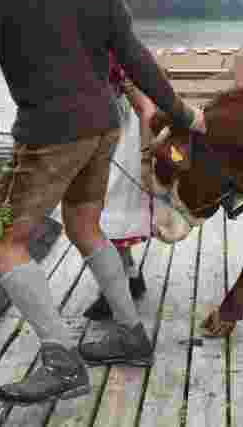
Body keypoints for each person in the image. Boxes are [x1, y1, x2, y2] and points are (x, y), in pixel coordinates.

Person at [0, 0, 205, 405]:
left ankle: (61, 360)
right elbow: (134, 57)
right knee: (85, 226)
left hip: (48, 136)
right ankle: (131, 335)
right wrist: (179, 112)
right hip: (104, 127)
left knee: (3, 239)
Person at [82, 52, 155, 321]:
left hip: (122, 142)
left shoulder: (113, 60)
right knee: (106, 218)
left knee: (107, 220)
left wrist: (146, 159)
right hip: (103, 136)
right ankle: (132, 277)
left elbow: (146, 108)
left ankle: (112, 295)